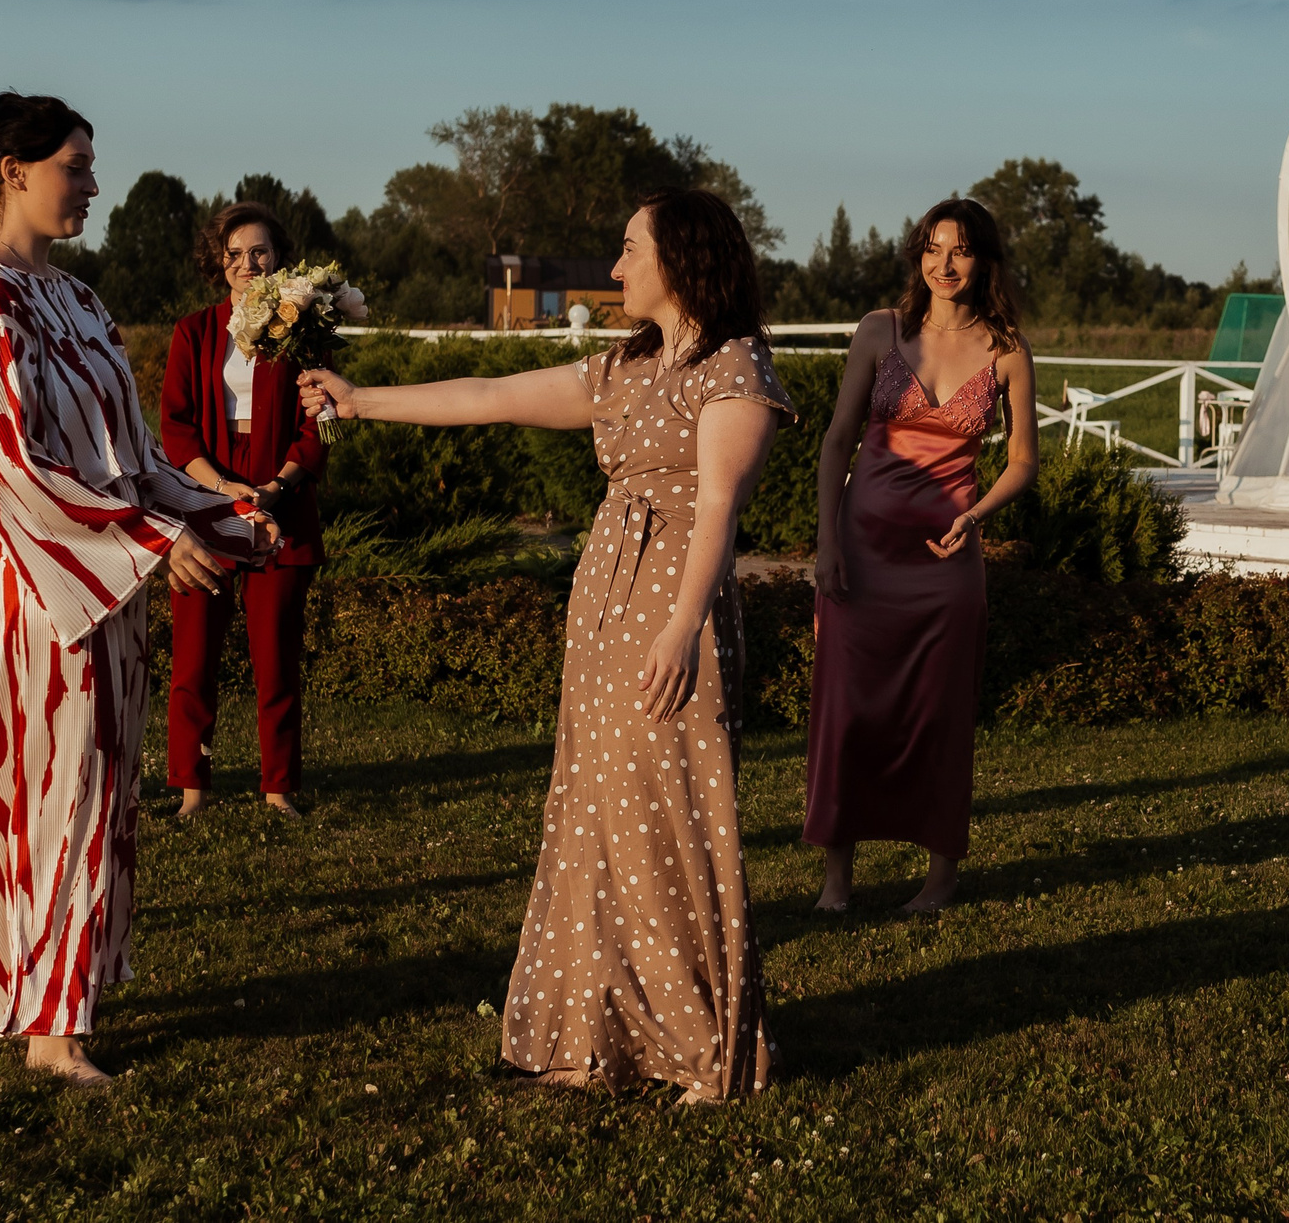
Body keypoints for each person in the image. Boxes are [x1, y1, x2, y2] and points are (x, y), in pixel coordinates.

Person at [299, 189, 792, 1103]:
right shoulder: (625, 369)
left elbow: (719, 509)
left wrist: (683, 627)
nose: (614, 269)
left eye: (629, 249)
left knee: (671, 820)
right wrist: (361, 399)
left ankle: (702, 1048)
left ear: (682, 259)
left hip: (671, 610)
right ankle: (593, 1031)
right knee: (595, 815)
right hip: (604, 605)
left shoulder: (734, 369)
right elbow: (491, 395)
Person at [0, 92, 267, 1086]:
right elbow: (13, 467)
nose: (92, 183)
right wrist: (158, 540)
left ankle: (9, 992)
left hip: (98, 580)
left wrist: (218, 514)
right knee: (41, 793)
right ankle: (49, 1028)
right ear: (12, 172)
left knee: (88, 791)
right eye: (75, 165)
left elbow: (129, 458)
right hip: (27, 590)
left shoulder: (76, 299)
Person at [808, 197, 1039, 913]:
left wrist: (976, 514)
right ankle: (836, 883)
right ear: (918, 255)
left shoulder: (1008, 352)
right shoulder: (880, 331)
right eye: (933, 248)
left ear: (984, 260)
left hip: (947, 563)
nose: (945, 264)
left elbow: (1024, 462)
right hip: (862, 554)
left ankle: (941, 879)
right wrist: (825, 539)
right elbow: (837, 440)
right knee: (845, 712)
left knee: (941, 715)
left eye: (961, 250)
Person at [158, 201, 328, 819]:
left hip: (281, 500)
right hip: (207, 499)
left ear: (279, 258)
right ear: (218, 263)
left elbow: (320, 422)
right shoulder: (193, 332)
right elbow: (175, 430)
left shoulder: (305, 331)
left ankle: (279, 789)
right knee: (194, 657)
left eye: (259, 252)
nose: (247, 264)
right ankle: (191, 791)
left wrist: (275, 490)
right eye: (234, 255)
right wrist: (226, 489)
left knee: (276, 660)